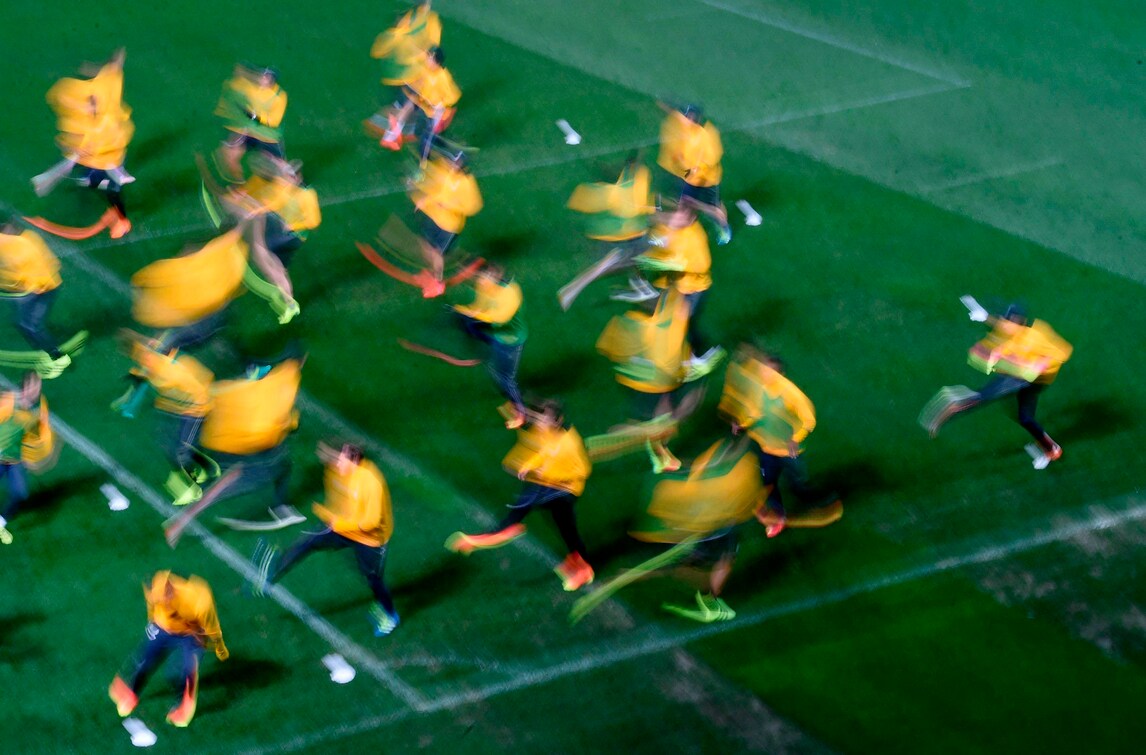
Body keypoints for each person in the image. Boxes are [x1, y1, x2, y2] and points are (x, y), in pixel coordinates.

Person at [251, 443, 401, 636]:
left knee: (373, 579)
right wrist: (329, 515)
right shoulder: (334, 471)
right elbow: (338, 500)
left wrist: (339, 523)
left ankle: (390, 615)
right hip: (342, 527)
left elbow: (371, 522)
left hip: (370, 539)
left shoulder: (371, 481)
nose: (336, 464)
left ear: (354, 460)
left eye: (340, 460)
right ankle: (270, 576)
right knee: (308, 540)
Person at [446, 399, 595, 591]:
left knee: (546, 517)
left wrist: (548, 474)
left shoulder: (569, 442)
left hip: (564, 489)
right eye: (539, 418)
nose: (540, 423)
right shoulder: (547, 432)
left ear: (557, 421)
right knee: (563, 526)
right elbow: (544, 452)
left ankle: (504, 530)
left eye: (544, 420)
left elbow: (583, 470)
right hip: (546, 483)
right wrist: (529, 466)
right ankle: (578, 562)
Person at [162, 349, 307, 546]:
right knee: (225, 485)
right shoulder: (285, 381)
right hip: (251, 446)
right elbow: (280, 418)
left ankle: (282, 507)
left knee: (281, 467)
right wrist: (289, 423)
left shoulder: (255, 384)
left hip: (228, 441)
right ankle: (180, 521)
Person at [920, 303, 1073, 467]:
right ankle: (1052, 449)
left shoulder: (1035, 335)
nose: (1005, 323)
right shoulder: (1012, 335)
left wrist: (1040, 363)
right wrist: (987, 328)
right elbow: (999, 335)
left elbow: (1063, 351)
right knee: (1024, 417)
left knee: (990, 401)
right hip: (1023, 377)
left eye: (1010, 320)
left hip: (1030, 380)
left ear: (1020, 321)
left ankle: (955, 406)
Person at [595, 287, 723, 473]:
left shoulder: (630, 322)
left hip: (654, 381)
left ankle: (652, 441)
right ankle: (650, 442)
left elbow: (609, 349)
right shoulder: (642, 324)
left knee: (672, 412)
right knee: (676, 411)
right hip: (651, 385)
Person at [718, 344, 836, 538]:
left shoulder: (791, 394)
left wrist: (795, 439)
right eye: (764, 369)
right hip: (766, 449)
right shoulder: (759, 389)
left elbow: (809, 419)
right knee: (768, 484)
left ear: (781, 375)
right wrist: (742, 424)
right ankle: (778, 517)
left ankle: (818, 499)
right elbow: (754, 412)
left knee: (798, 484)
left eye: (770, 371)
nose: (764, 374)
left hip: (789, 452)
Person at [34, 48, 134, 239]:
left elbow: (116, 61)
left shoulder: (99, 115)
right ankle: (113, 207)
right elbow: (115, 64)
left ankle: (122, 220)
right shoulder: (91, 99)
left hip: (110, 159)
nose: (91, 105)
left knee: (111, 188)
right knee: (95, 181)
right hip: (98, 157)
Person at [109, 571, 228, 728]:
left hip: (192, 633)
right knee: (145, 660)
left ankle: (181, 708)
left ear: (171, 589)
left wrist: (219, 647)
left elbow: (212, 626)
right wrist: (152, 622)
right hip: (164, 627)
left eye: (165, 597)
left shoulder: (199, 598)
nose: (162, 601)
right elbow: (152, 606)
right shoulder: (155, 588)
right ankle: (131, 693)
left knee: (188, 673)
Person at [113, 331, 217, 505]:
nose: (144, 359)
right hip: (180, 405)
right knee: (169, 442)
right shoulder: (153, 357)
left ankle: (193, 488)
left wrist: (134, 398)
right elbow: (145, 373)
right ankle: (208, 468)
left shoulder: (166, 371)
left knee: (180, 450)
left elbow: (189, 390)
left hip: (195, 407)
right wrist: (129, 397)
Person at [558, 154, 656, 310]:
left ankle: (640, 286)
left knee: (630, 261)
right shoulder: (619, 191)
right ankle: (570, 291)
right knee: (607, 266)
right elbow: (635, 212)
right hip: (623, 239)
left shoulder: (621, 187)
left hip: (630, 237)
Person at [451, 262, 528, 426]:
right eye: (479, 278)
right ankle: (485, 348)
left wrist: (473, 314)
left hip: (510, 339)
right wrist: (464, 311)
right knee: (463, 321)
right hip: (494, 328)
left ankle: (521, 413)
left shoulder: (509, 293)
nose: (479, 281)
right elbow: (479, 306)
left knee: (504, 377)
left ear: (495, 278)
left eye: (483, 278)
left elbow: (501, 318)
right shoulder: (484, 287)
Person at [0, 221, 77, 377]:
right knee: (22, 324)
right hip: (32, 288)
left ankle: (58, 356)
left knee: (31, 325)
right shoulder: (19, 239)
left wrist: (10, 287)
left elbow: (21, 283)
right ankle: (41, 347)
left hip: (45, 289)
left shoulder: (24, 247)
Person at [637, 205, 714, 354]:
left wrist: (651, 261)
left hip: (691, 289)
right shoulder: (665, 228)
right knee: (666, 319)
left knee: (682, 325)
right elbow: (656, 245)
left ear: (690, 219)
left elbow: (698, 266)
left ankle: (696, 353)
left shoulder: (692, 238)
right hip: (673, 285)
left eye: (680, 216)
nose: (674, 219)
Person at [406, 147, 482, 294]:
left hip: (449, 225)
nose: (450, 163)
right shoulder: (445, 170)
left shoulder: (466, 183)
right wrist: (421, 194)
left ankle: (437, 282)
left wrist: (449, 205)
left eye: (454, 162)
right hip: (435, 216)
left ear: (462, 165)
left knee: (436, 252)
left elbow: (473, 207)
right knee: (425, 244)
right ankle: (433, 273)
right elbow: (436, 188)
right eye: (450, 160)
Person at [656, 103, 731, 244]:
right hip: (689, 178)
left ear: (697, 119)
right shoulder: (684, 127)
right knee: (683, 205)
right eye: (687, 116)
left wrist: (696, 166)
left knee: (715, 207)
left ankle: (724, 228)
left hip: (708, 179)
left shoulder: (707, 134)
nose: (688, 119)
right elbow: (675, 114)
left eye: (691, 117)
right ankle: (668, 237)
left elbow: (712, 158)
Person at [367, 1, 442, 133]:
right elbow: (432, 44)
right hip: (409, 75)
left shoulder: (397, 33)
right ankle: (396, 129)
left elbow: (377, 52)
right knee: (411, 103)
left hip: (400, 76)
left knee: (407, 103)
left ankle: (395, 126)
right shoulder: (425, 22)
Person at [0, 373, 56, 545]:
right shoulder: (8, 402)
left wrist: (35, 455)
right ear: (24, 388)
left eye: (37, 388)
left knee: (20, 494)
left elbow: (37, 433)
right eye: (32, 387)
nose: (35, 391)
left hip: (15, 460)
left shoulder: (37, 410)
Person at [378, 45, 460, 156]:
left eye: (430, 58)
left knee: (426, 139)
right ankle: (390, 137)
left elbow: (452, 96)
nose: (427, 60)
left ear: (437, 63)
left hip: (435, 111)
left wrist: (438, 105)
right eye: (428, 57)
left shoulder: (443, 78)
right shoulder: (427, 69)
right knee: (409, 105)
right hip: (423, 101)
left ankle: (450, 155)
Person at [215, 65, 288, 181]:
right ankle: (237, 182)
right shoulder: (248, 86)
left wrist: (256, 116)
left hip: (268, 136)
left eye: (266, 77)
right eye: (262, 75)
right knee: (229, 152)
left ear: (272, 80)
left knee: (279, 165)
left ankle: (293, 183)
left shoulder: (279, 96)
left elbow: (274, 120)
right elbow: (233, 84)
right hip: (246, 131)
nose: (262, 78)